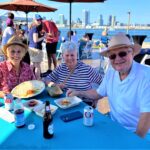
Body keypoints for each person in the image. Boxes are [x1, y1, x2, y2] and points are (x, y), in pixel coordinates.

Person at [67, 33, 150, 139]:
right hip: (114, 125)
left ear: (132, 53)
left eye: (122, 53)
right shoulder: (111, 72)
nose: (117, 59)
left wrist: (134, 142)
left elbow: (147, 115)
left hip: (140, 132)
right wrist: (79, 92)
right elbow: (98, 93)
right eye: (112, 56)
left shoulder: (146, 76)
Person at [44, 41, 103, 107]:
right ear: (62, 56)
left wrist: (96, 97)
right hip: (64, 103)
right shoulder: (61, 68)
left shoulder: (86, 69)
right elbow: (47, 79)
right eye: (67, 55)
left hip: (84, 105)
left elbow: (104, 84)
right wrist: (54, 85)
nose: (69, 58)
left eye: (72, 55)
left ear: (76, 55)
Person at [28, 14, 46, 79]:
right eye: (38, 20)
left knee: (32, 64)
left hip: (31, 47)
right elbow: (35, 40)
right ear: (34, 20)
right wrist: (43, 37)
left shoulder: (31, 27)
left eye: (40, 19)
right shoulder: (35, 28)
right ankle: (37, 79)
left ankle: (30, 77)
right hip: (36, 48)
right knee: (37, 65)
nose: (39, 21)